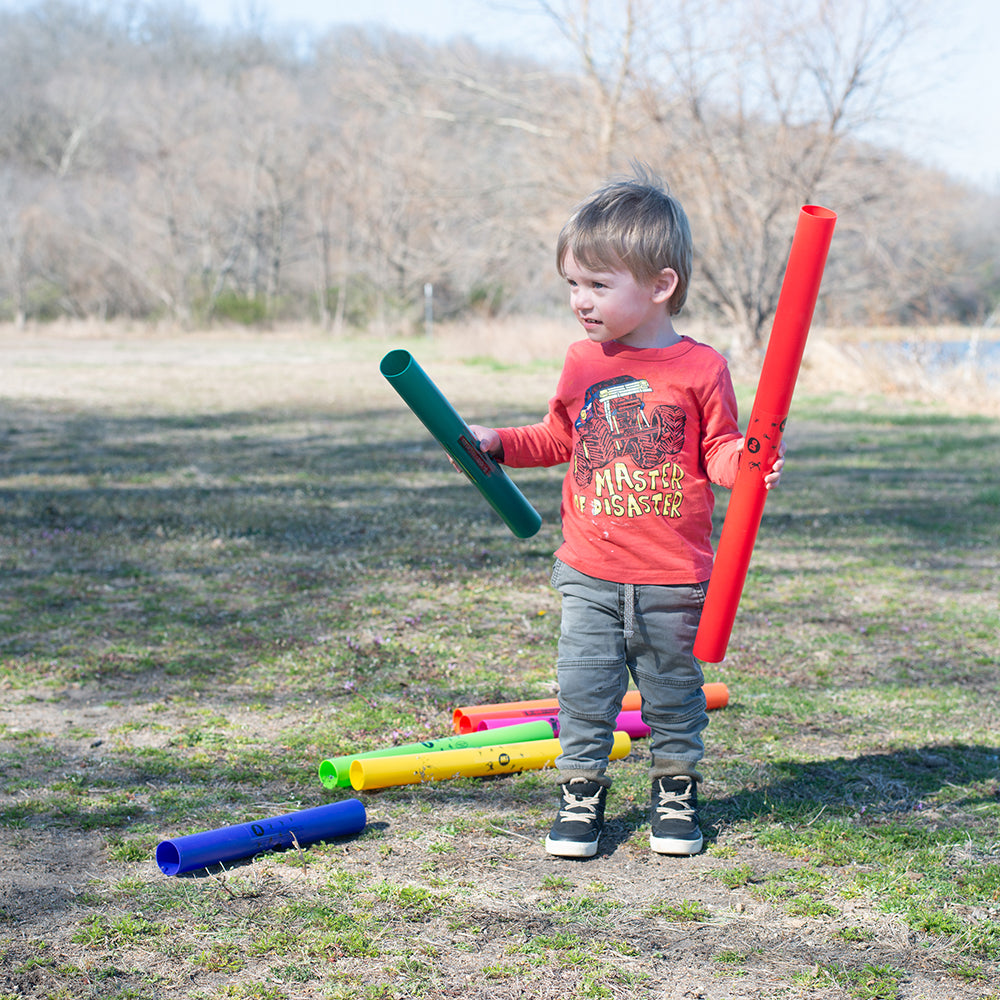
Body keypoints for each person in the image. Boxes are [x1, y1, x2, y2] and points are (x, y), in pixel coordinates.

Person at [466, 165, 784, 859]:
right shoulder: (583, 362)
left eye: (598, 285)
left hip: (673, 575)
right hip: (590, 569)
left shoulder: (702, 369)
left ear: (661, 285)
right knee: (584, 688)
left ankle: (675, 792)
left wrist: (752, 466)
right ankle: (581, 794)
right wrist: (497, 443)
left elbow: (721, 453)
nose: (580, 300)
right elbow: (556, 438)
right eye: (573, 284)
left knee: (673, 692)